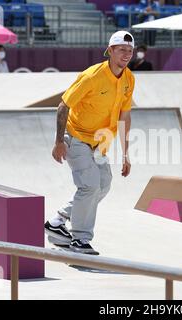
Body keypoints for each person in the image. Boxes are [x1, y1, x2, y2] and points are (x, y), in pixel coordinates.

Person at [44, 31, 135, 255]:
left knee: (103, 185)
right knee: (89, 186)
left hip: (100, 143)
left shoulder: (129, 79)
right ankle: (80, 240)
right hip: (76, 138)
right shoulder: (92, 76)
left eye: (130, 51)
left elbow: (125, 116)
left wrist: (126, 154)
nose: (126, 54)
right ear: (110, 50)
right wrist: (58, 142)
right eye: (121, 49)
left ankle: (57, 222)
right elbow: (64, 105)